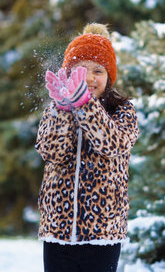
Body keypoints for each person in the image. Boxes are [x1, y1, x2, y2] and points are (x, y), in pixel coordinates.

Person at [35, 23, 139, 272]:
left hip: (102, 232)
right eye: (80, 70)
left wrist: (84, 105)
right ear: (67, 73)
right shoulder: (55, 110)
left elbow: (110, 144)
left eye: (98, 71)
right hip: (58, 231)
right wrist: (63, 110)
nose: (90, 78)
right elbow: (51, 152)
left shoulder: (122, 111)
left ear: (110, 77)